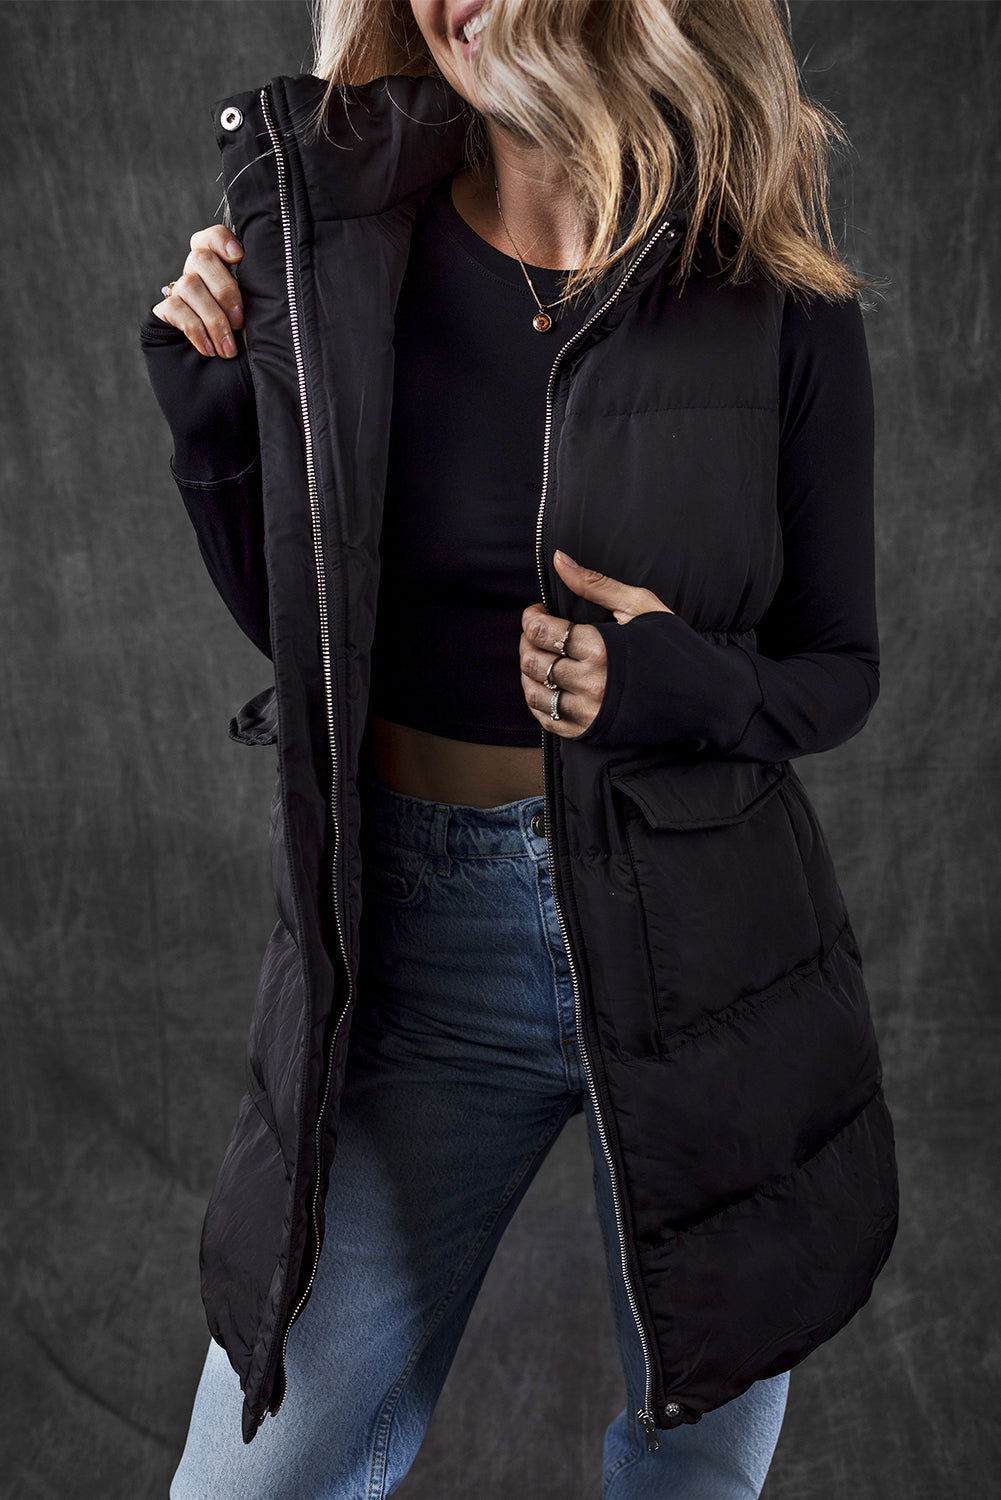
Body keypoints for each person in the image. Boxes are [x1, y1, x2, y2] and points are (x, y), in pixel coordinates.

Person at [139, 1, 899, 1495]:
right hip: (420, 946)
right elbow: (310, 638)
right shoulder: (353, 250)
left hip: (706, 946)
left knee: (691, 1471)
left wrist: (666, 680)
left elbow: (839, 674)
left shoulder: (768, 292)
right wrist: (213, 421)